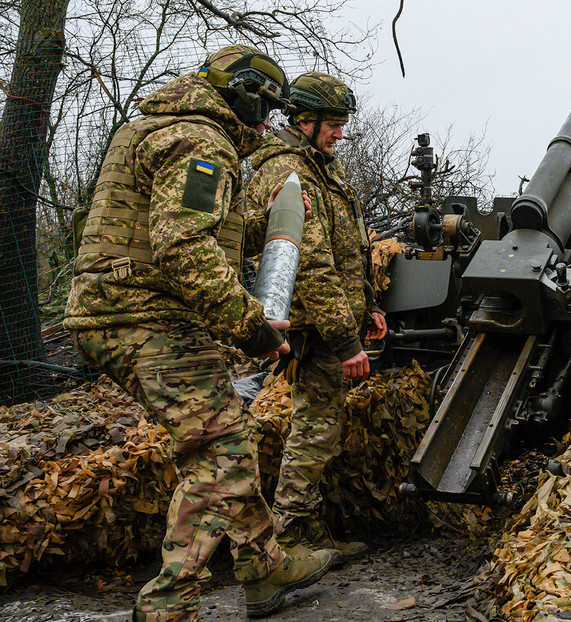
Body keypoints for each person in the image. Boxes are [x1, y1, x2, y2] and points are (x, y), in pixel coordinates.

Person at [64, 46, 336, 622]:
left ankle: (263, 565)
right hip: (145, 318)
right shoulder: (200, 141)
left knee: (226, 436)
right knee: (221, 454)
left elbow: (191, 230)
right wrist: (250, 326)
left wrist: (269, 222)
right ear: (244, 95)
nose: (268, 123)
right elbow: (183, 247)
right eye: (266, 108)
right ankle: (168, 603)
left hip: (123, 312)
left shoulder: (161, 127)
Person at [246, 72, 386, 562]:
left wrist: (368, 308)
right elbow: (311, 264)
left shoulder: (321, 166)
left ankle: (304, 531)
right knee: (314, 431)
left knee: (319, 429)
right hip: (318, 328)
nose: (340, 134)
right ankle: (290, 537)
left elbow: (350, 249)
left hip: (335, 320)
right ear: (305, 121)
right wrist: (347, 342)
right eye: (333, 124)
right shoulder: (290, 170)